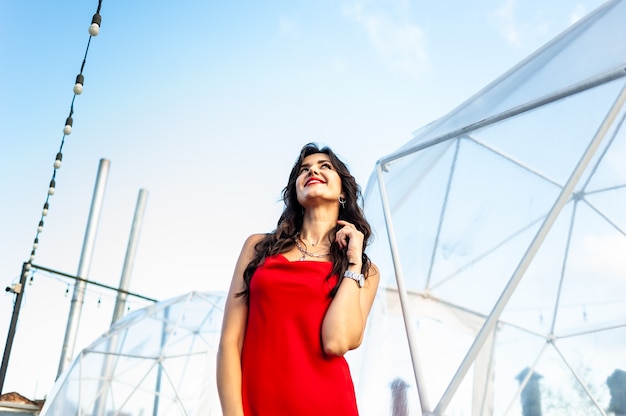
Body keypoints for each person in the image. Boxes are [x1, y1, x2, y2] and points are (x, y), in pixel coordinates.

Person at [216, 143, 380, 416]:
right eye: (305, 169)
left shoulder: (365, 271)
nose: (313, 170)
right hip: (259, 404)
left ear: (342, 192)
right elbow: (229, 342)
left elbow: (336, 342)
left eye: (324, 166)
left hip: (329, 404)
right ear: (295, 191)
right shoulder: (258, 248)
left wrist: (353, 263)